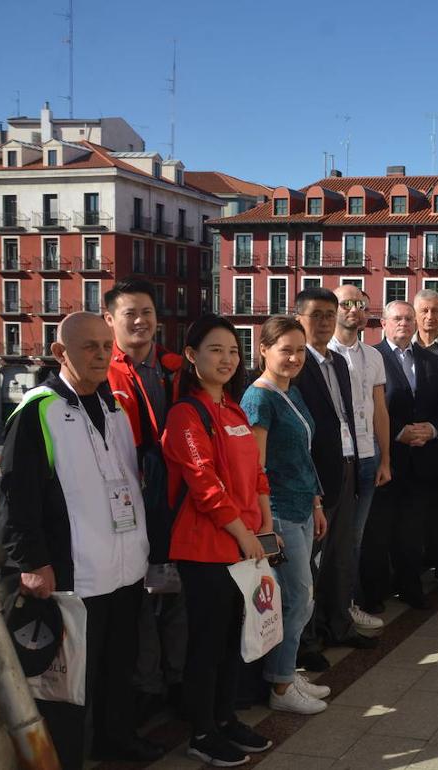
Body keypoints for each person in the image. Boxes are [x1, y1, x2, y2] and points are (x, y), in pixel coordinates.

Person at [0, 312, 161, 766]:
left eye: (106, 346)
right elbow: (16, 494)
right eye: (88, 346)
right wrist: (31, 561)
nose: (101, 354)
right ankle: (66, 759)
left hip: (125, 568)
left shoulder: (113, 407)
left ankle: (116, 742)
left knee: (117, 668)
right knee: (68, 683)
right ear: (59, 353)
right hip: (74, 572)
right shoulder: (38, 410)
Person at [163, 314, 274, 766]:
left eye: (233, 350)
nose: (227, 359)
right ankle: (202, 731)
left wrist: (263, 528)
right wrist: (245, 533)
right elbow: (203, 483)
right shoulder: (186, 413)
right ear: (192, 356)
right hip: (205, 546)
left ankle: (226, 718)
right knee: (207, 642)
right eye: (215, 350)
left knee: (233, 638)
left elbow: (256, 474)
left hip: (244, 542)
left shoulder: (233, 409)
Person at [102, 279, 186, 719]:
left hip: (175, 500)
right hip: (125, 505)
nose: (140, 321)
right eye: (130, 313)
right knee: (138, 601)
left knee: (176, 594)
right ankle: (146, 686)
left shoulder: (175, 368)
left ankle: (175, 680)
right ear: (110, 320)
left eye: (147, 312)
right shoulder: (102, 372)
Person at [241, 316, 332, 711]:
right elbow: (254, 469)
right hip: (276, 511)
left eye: (299, 350)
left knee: (301, 597)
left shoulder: (291, 392)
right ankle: (279, 686)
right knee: (297, 596)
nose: (295, 357)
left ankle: (286, 669)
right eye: (285, 350)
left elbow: (302, 455)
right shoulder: (259, 398)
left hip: (301, 506)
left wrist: (316, 502)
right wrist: (264, 525)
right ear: (263, 349)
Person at [291, 288, 369, 662]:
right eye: (315, 315)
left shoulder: (337, 361)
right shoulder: (294, 363)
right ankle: (307, 642)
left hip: (347, 464)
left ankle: (338, 625)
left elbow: (345, 414)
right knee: (309, 564)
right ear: (298, 320)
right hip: (315, 478)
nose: (323, 322)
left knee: (339, 556)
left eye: (328, 314)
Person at [372, 301, 438, 608]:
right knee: (380, 529)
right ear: (384, 323)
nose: (404, 323)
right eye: (397, 318)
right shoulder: (373, 357)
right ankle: (376, 591)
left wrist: (432, 429)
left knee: (412, 529)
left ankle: (410, 587)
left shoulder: (429, 359)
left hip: (423, 459)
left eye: (409, 318)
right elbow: (368, 405)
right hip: (387, 457)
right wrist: (397, 432)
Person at [329, 285, 391, 626]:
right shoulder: (323, 354)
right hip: (339, 458)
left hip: (369, 457)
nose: (354, 309)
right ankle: (335, 608)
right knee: (335, 539)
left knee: (356, 537)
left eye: (360, 304)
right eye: (347, 303)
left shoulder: (374, 356)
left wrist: (385, 460)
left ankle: (348, 604)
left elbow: (380, 409)